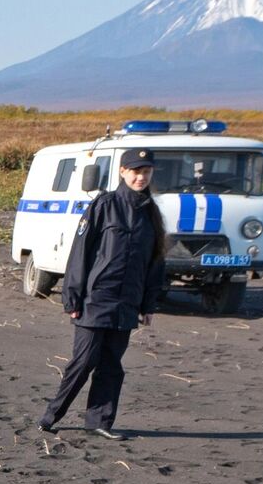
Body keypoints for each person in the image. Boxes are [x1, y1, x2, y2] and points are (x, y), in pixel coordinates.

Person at [39, 147, 167, 441]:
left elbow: (156, 261)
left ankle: (99, 422)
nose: (141, 177)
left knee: (112, 365)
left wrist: (149, 304)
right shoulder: (104, 205)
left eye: (146, 172)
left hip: (127, 303)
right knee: (83, 362)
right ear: (123, 171)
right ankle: (51, 416)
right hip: (95, 300)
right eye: (136, 171)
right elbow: (80, 253)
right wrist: (72, 297)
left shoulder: (151, 212)